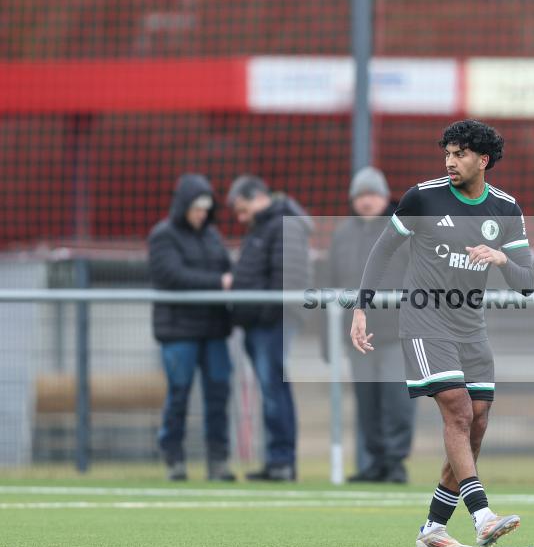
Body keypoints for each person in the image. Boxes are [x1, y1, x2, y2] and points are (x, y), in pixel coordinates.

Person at [350, 120, 534, 547]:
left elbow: (526, 283)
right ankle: (483, 515)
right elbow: (383, 250)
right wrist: (361, 306)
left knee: (478, 420)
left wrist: (501, 260)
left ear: (483, 160)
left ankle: (433, 527)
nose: (450, 162)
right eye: (447, 153)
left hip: (471, 327)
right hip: (423, 321)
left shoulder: (506, 209)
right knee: (458, 411)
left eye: (460, 154)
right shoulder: (423, 197)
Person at [328, 166, 415, 483]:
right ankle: (375, 462)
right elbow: (332, 282)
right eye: (361, 195)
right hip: (357, 336)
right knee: (368, 402)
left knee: (396, 398)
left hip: (397, 332)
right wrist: (331, 336)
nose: (366, 202)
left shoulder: (403, 230)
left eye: (372, 195)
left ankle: (395, 463)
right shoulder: (342, 235)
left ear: (384, 197)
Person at [148, 173, 235, 482]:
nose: (201, 214)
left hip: (213, 330)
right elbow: (171, 276)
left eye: (205, 208)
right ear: (184, 205)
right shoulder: (163, 235)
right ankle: (174, 457)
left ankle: (218, 461)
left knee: (218, 395)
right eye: (196, 207)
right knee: (179, 394)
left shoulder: (212, 236)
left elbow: (229, 270)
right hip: (179, 332)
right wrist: (218, 283)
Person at [228, 174, 313, 482]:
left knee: (274, 390)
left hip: (272, 321)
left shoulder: (281, 223)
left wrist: (262, 314)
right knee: (271, 390)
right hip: (261, 321)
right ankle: (277, 460)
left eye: (241, 208)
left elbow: (285, 278)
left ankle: (282, 461)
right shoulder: (265, 226)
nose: (240, 217)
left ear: (256, 197)